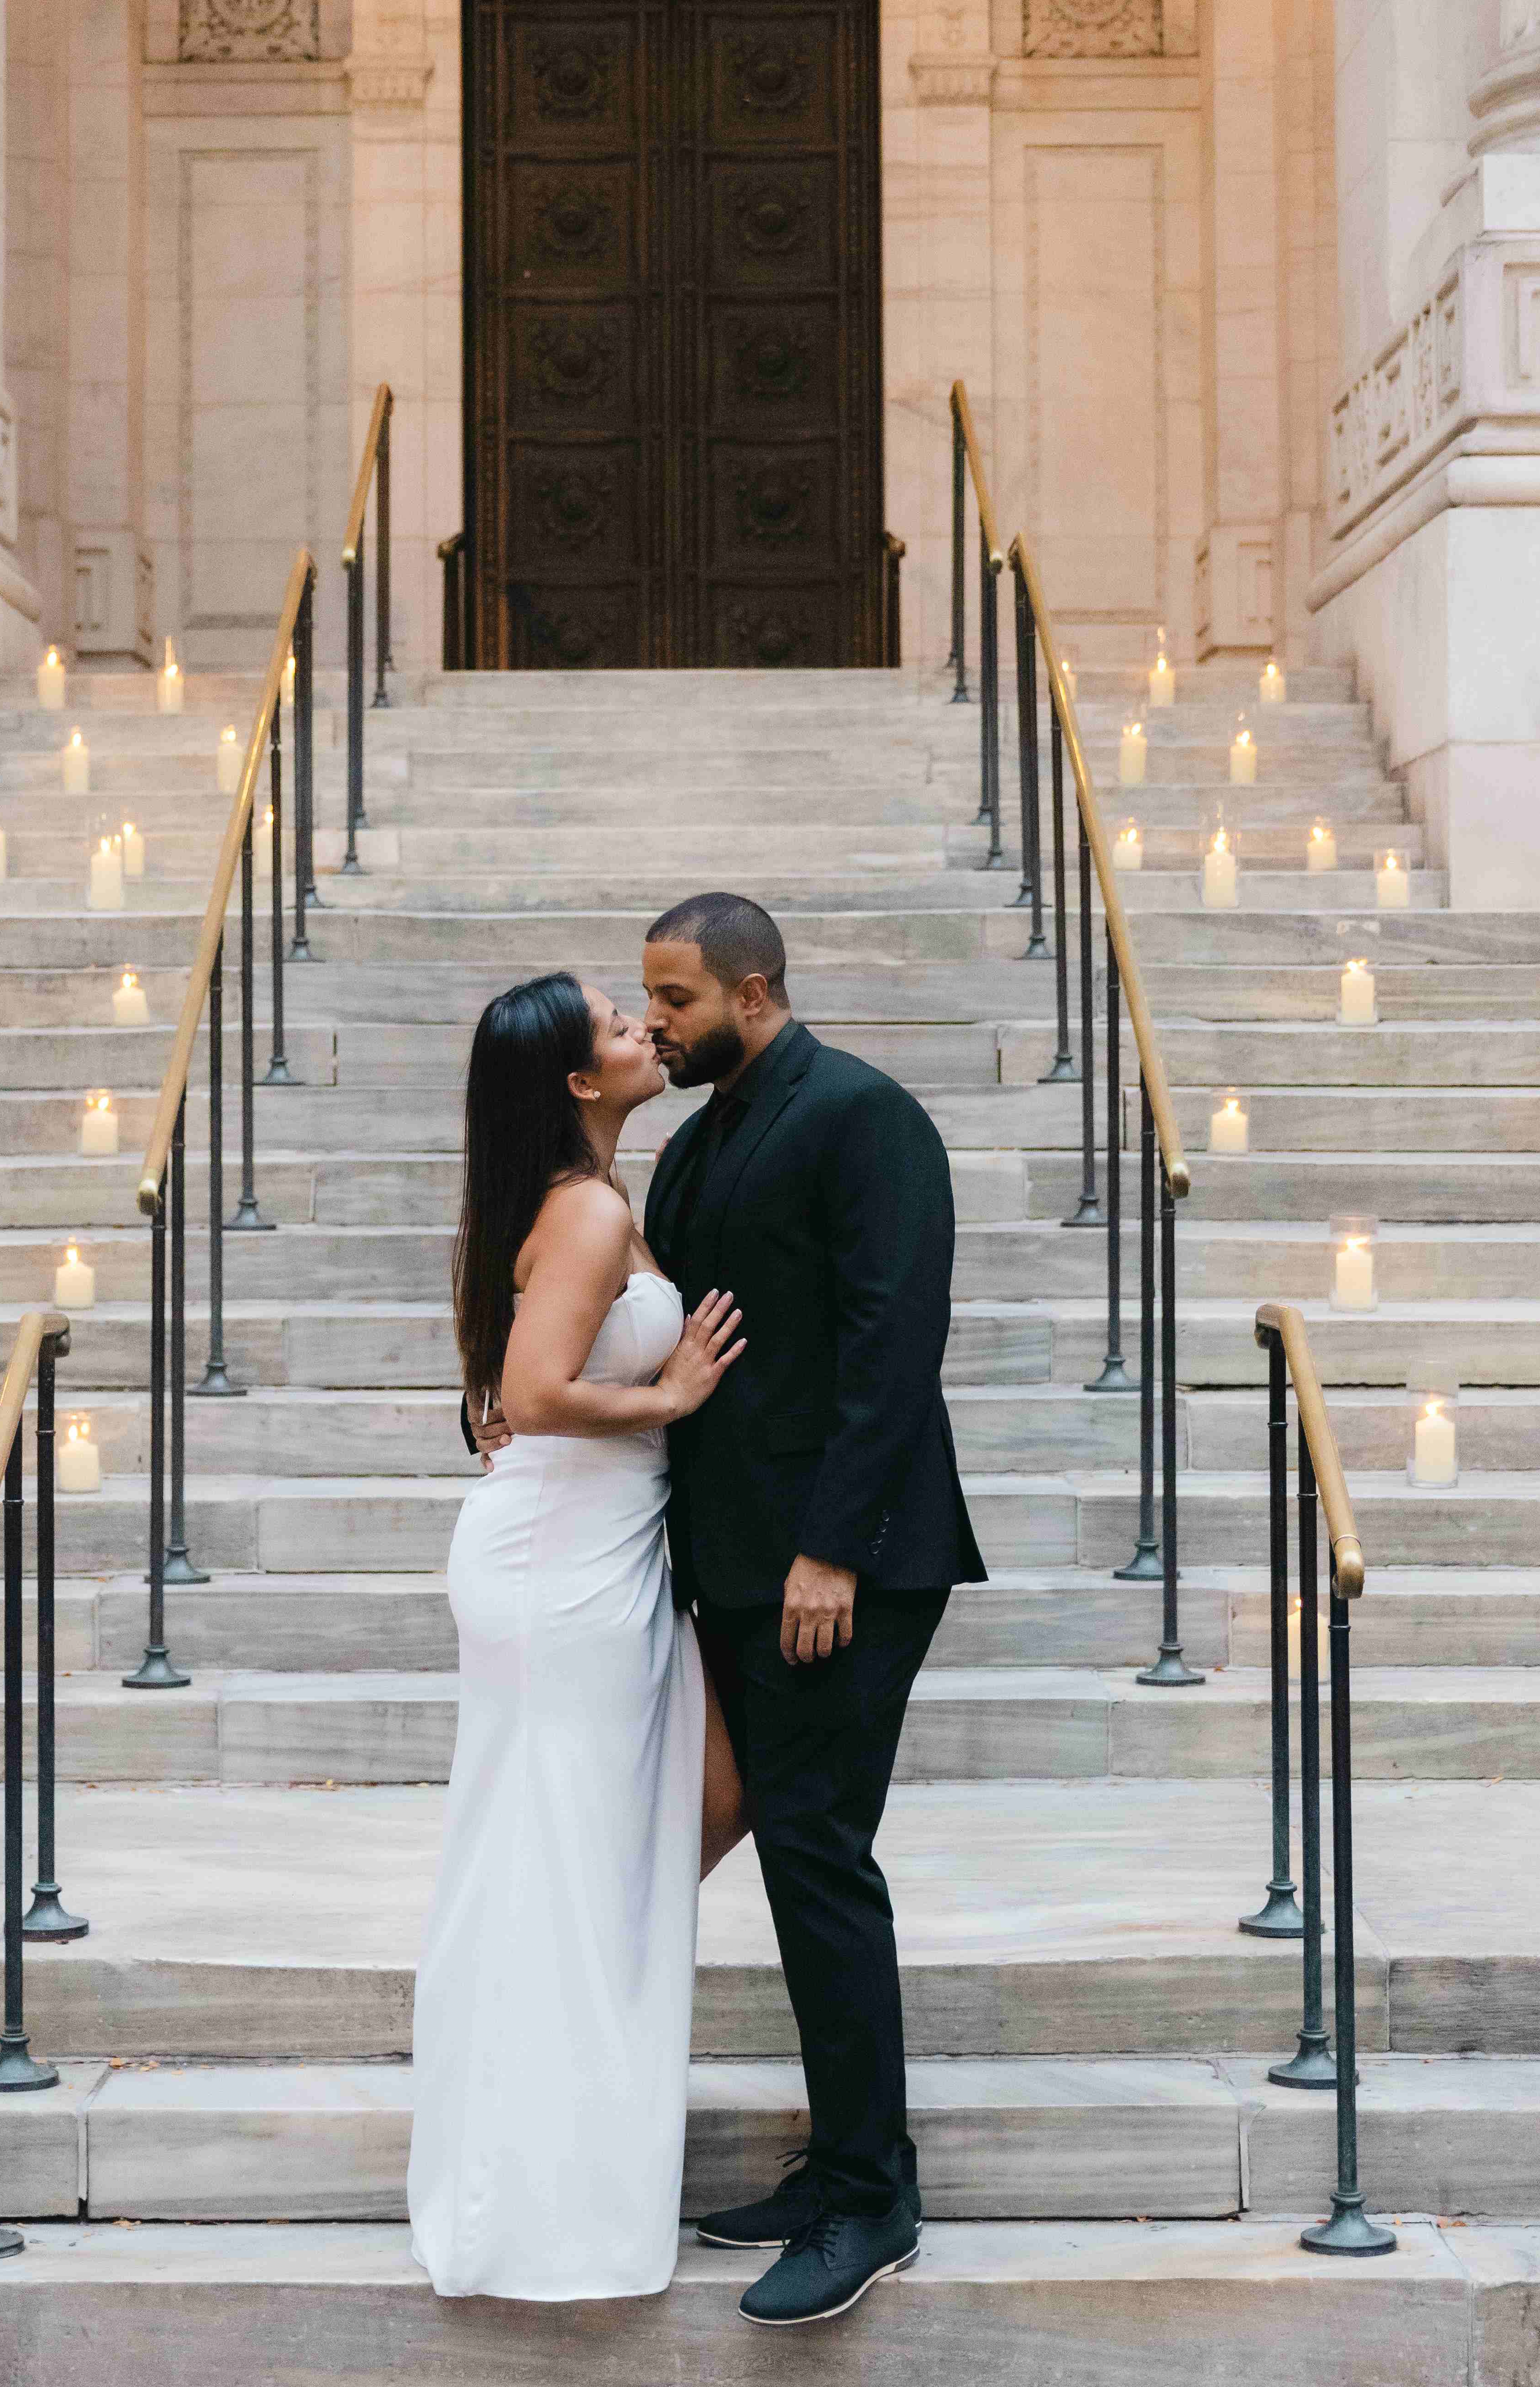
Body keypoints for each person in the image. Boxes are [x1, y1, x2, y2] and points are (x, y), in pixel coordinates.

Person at [641, 891, 985, 2329]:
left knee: (823, 1857)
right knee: (797, 1859)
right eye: (649, 999)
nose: (653, 1021)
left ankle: (873, 2200)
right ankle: (842, 2157)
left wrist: (833, 1549)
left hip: (850, 1568)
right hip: (738, 1566)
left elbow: (892, 1341)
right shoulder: (698, 1138)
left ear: (755, 989)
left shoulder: (864, 1114)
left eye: (674, 999)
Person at [406, 971, 749, 2302]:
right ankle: (538, 2205)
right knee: (563, 1864)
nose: (644, 1031)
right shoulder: (594, 1209)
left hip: (583, 1556)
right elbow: (532, 1392)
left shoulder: (584, 1200)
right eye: (618, 1025)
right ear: (575, 1080)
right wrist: (667, 1395)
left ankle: (540, 2177)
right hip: (563, 1569)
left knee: (571, 1860)